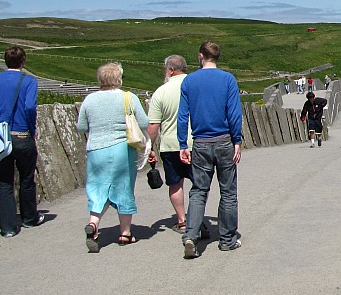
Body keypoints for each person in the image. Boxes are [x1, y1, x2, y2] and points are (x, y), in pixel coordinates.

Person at [178, 41, 243, 258]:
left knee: (198, 191)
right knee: (228, 192)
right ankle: (227, 240)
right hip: (224, 140)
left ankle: (191, 236)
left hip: (201, 142)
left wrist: (182, 144)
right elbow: (234, 113)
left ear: (201, 56)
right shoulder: (227, 79)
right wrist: (237, 140)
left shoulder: (189, 81)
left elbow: (182, 116)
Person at [77, 62, 149, 252]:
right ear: (119, 79)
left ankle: (93, 224)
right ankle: (125, 233)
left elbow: (81, 127)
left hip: (96, 150)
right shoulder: (128, 97)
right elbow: (143, 122)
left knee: (97, 187)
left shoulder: (90, 100)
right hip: (121, 149)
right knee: (123, 188)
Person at [145, 55, 209, 239]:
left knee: (175, 183)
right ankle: (197, 218)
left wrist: (149, 148)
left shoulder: (161, 92)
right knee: (199, 184)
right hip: (196, 142)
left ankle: (182, 220)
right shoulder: (196, 86)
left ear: (171, 70)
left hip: (171, 145)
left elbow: (153, 125)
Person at [0, 46, 43, 238]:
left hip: (0, 137)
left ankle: (8, 227)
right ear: (23, 61)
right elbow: (30, 106)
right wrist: (31, 129)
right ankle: (30, 217)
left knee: (4, 181)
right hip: (21, 135)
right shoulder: (28, 81)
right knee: (27, 178)